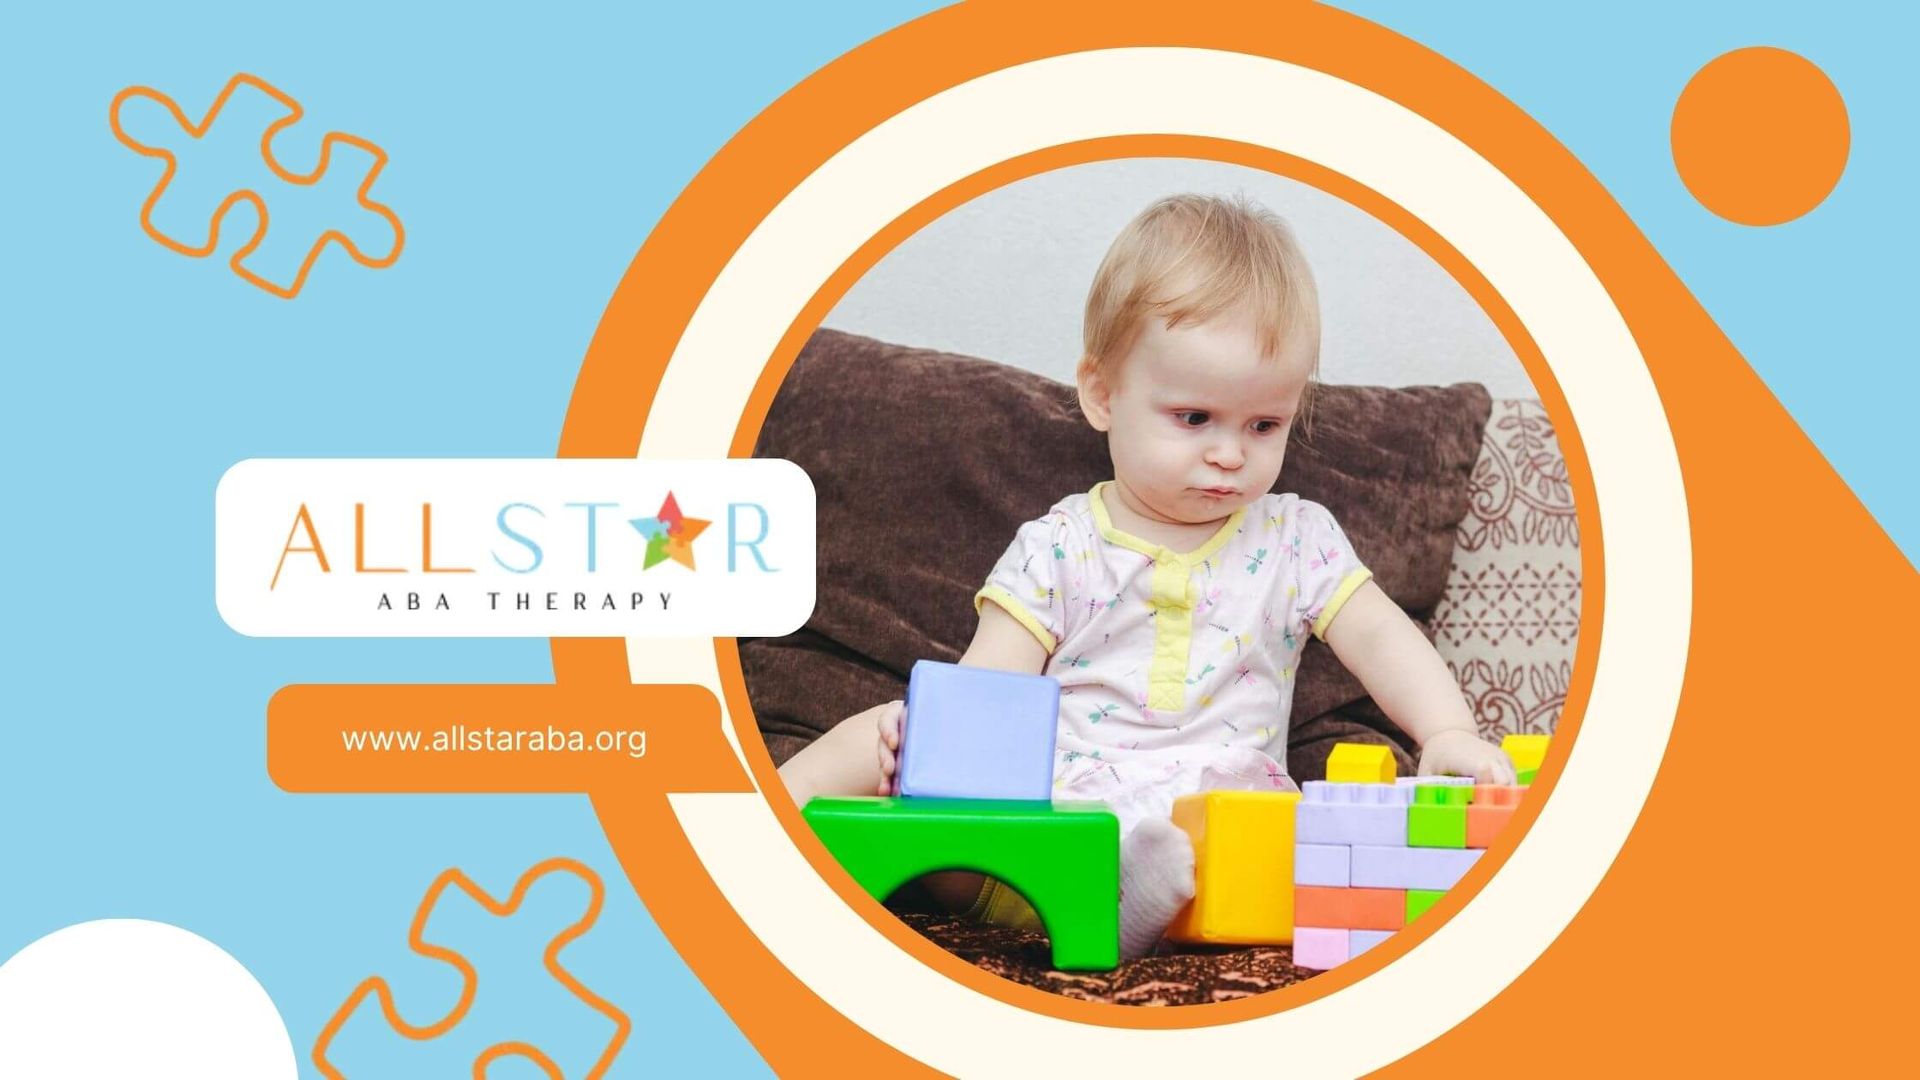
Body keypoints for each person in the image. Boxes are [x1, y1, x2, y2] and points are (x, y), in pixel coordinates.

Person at [780, 193, 1514, 959]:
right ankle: (767, 824)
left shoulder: (1297, 539)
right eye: (1195, 419)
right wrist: (931, 750)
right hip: (1056, 818)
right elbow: (992, 683)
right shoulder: (1060, 543)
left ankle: (1139, 902)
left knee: (1277, 841)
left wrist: (1447, 731)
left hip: (1217, 817)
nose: (1231, 453)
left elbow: (1380, 635)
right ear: (1102, 395)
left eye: (1264, 425)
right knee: (882, 738)